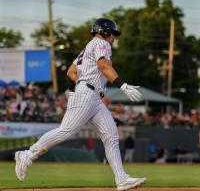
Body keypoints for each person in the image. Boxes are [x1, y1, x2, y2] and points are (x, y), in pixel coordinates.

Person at [14, 18, 146, 191]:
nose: (114, 37)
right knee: (66, 130)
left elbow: (71, 72)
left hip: (92, 96)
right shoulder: (102, 43)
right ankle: (27, 155)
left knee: (111, 135)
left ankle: (121, 179)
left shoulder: (88, 47)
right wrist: (122, 84)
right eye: (113, 33)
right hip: (86, 94)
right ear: (105, 31)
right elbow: (104, 65)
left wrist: (83, 84)